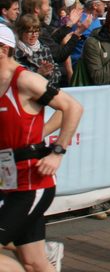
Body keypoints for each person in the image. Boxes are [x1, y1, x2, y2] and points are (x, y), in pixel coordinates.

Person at [0, 24, 83, 272]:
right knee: (34, 261)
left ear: (4, 49)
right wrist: (38, 133)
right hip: (10, 180)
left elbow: (72, 107)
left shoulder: (25, 79)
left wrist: (58, 152)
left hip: (32, 183)